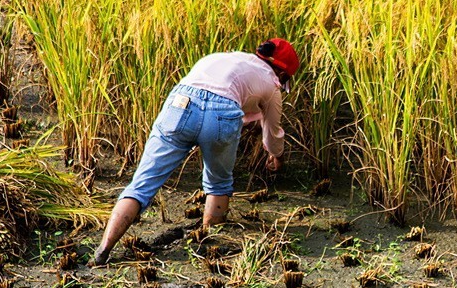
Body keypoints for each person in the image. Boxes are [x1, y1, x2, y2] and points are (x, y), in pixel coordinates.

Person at [89, 38, 300, 266]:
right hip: (221, 113)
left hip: (180, 103)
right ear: (281, 74)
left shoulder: (221, 57)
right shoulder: (271, 84)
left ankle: (103, 250)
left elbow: (208, 97)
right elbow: (273, 131)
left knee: (141, 186)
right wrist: (275, 155)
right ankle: (207, 245)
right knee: (218, 184)